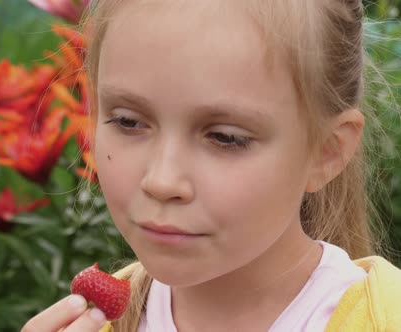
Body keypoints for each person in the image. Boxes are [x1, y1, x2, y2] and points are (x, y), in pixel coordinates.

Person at [22, 0, 401, 331]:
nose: (161, 180)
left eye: (225, 137)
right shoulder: (102, 321)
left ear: (326, 152)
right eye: (128, 121)